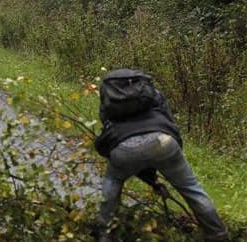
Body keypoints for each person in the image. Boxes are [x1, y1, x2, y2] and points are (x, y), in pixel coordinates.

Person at [93, 69, 228, 242]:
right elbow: (168, 121)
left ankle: (104, 233)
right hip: (163, 142)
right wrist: (158, 175)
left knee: (113, 179)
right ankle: (218, 235)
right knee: (191, 188)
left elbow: (109, 133)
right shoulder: (152, 93)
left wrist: (152, 181)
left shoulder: (108, 99)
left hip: (123, 149)